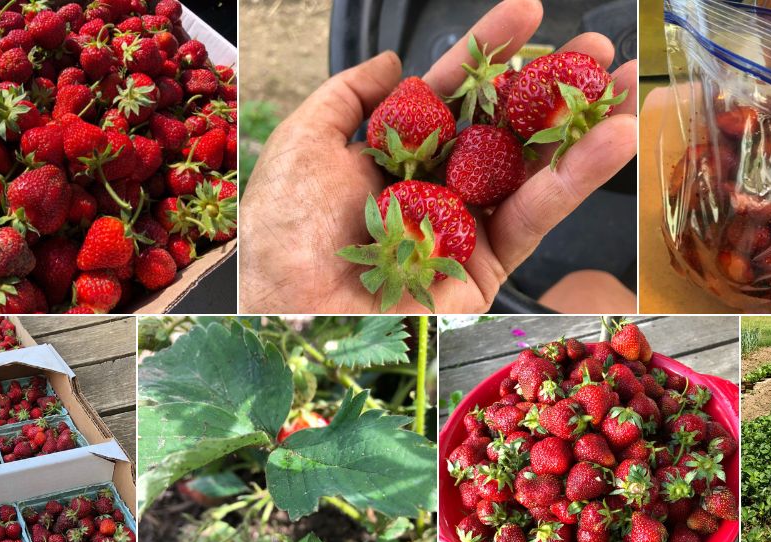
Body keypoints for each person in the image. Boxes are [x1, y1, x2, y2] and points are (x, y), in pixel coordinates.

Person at [239, 0, 638, 313]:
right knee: (594, 285)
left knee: (590, 285)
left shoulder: (402, 200)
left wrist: (267, 294)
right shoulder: (406, 205)